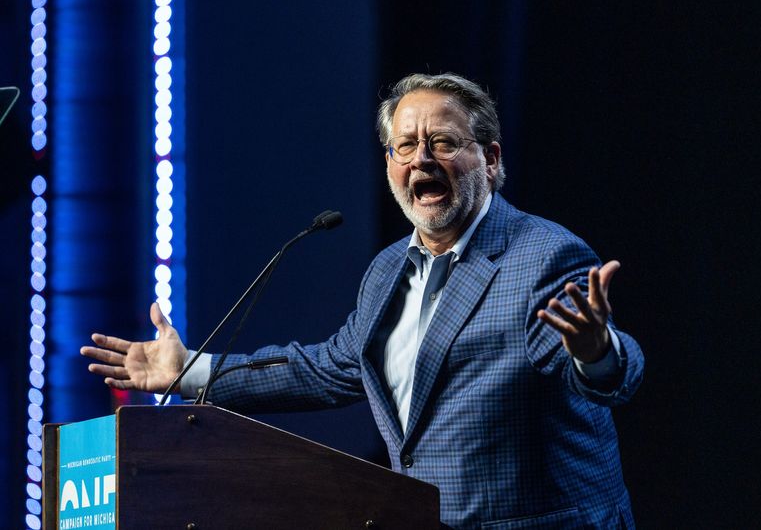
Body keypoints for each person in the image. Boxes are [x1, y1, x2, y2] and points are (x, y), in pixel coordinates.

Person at [82, 73, 644, 529]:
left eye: (443, 142)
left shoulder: (544, 255)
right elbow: (327, 370)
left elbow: (610, 373)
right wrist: (190, 371)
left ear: (491, 160)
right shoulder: (385, 272)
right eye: (405, 146)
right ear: (390, 167)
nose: (421, 158)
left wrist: (595, 351)